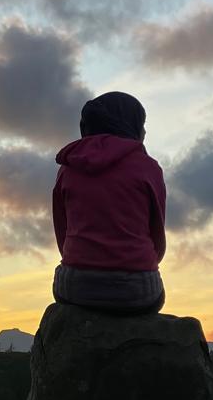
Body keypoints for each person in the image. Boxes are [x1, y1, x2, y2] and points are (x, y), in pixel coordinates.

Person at [52, 91, 166, 314]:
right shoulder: (149, 168)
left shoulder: (67, 169)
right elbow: (157, 237)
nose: (144, 131)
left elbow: (61, 234)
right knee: (154, 297)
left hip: (75, 287)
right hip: (137, 289)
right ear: (129, 125)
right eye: (142, 125)